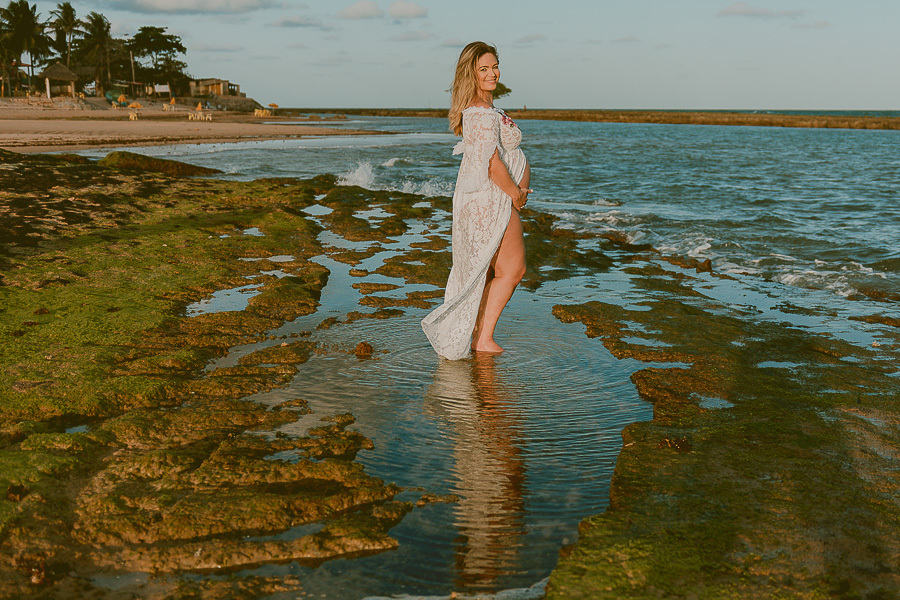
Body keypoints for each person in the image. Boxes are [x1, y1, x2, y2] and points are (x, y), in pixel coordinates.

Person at [422, 41, 531, 360]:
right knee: (512, 270)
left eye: (495, 66)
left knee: (488, 270)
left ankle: (478, 335)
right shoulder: (480, 112)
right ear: (471, 73)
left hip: (489, 196)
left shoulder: (483, 108)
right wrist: (516, 194)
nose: (493, 73)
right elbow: (490, 161)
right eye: (484, 68)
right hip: (493, 198)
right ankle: (482, 338)